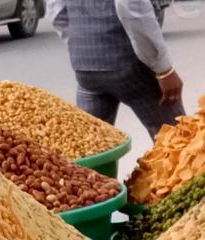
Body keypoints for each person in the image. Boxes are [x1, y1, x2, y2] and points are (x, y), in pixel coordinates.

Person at [57, 0, 183, 139]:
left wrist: (78, 45)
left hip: (85, 69)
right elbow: (133, 7)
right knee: (176, 140)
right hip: (130, 67)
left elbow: (57, 11)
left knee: (90, 149)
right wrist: (164, 69)